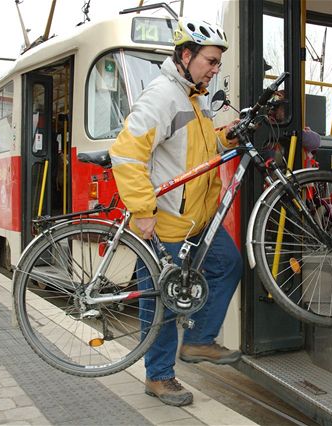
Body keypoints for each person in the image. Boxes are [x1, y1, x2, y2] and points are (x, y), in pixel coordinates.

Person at [109, 18, 242, 407]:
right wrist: (142, 209)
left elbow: (191, 146)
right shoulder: (162, 96)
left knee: (227, 264)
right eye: (211, 61)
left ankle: (199, 341)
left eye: (217, 63)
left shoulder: (192, 96)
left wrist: (224, 135)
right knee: (163, 301)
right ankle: (159, 376)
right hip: (167, 219)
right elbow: (127, 151)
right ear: (186, 55)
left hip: (197, 218)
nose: (215, 69)